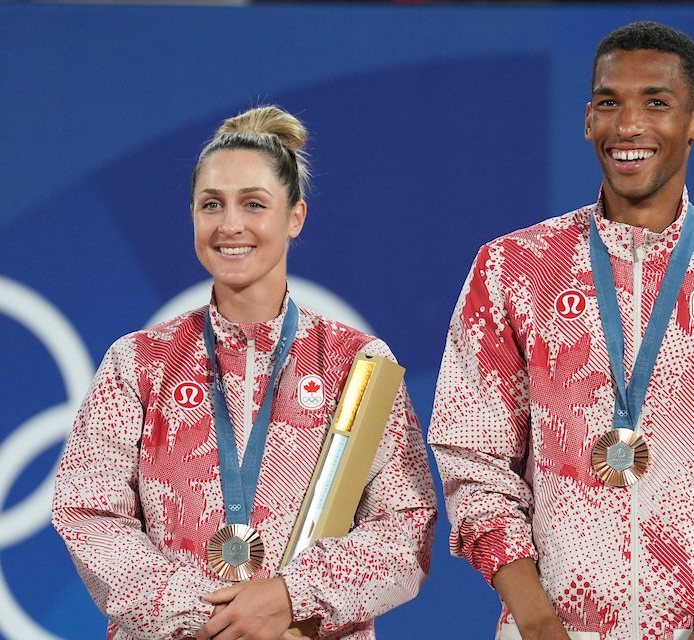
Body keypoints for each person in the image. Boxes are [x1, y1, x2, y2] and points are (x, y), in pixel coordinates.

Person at [428, 21, 694, 640]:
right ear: (588, 120)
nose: (628, 127)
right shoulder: (512, 268)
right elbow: (474, 460)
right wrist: (538, 621)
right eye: (608, 103)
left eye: (656, 102)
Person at [52, 105, 436, 640]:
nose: (230, 224)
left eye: (253, 204)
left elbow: (406, 526)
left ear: (295, 217)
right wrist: (216, 619)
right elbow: (88, 514)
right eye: (212, 205)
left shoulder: (359, 364)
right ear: (192, 215)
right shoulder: (137, 362)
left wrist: (288, 599)